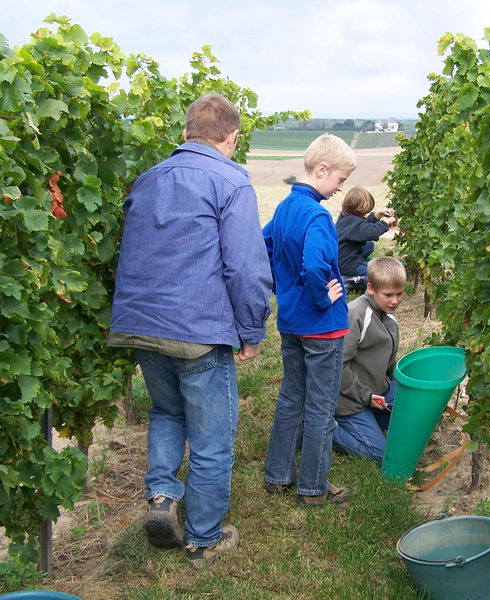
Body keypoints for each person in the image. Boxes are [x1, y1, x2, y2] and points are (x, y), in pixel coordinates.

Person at [107, 93, 272, 568]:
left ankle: (161, 494)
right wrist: (251, 330)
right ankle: (203, 538)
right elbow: (245, 268)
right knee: (212, 437)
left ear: (186, 132)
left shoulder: (148, 179)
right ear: (231, 137)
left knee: (166, 411)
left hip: (140, 324)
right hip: (197, 328)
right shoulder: (231, 181)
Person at [262, 133, 357, 507]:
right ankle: (313, 488)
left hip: (292, 323)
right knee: (319, 405)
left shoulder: (286, 207)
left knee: (291, 397)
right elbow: (316, 263)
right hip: (323, 326)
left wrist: (285, 289)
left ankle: (278, 475)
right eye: (339, 179)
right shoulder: (317, 214)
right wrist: (321, 295)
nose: (339, 188)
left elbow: (263, 245)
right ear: (321, 170)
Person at [332, 257, 406, 464]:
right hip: (349, 401)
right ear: (371, 288)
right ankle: (324, 430)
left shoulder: (387, 314)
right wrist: (366, 397)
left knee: (419, 411)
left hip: (377, 393)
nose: (395, 301)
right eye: (389, 295)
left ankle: (372, 421)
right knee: (382, 456)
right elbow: (338, 366)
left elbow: (387, 359)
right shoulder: (355, 314)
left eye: (399, 294)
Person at [336, 186, 397, 280]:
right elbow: (371, 231)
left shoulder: (346, 217)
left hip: (341, 256)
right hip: (347, 264)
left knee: (369, 246)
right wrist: (386, 223)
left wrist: (378, 215)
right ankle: (349, 281)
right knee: (375, 276)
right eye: (366, 212)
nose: (366, 214)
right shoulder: (356, 224)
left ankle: (351, 273)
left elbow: (363, 227)